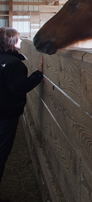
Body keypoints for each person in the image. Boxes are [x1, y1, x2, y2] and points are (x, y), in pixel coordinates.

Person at [0, 28, 43, 201]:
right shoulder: (14, 64)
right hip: (6, 115)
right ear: (11, 42)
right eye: (18, 40)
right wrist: (37, 74)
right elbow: (18, 88)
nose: (20, 42)